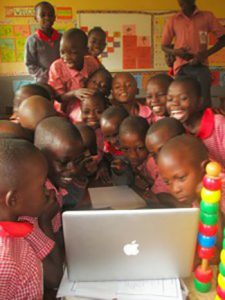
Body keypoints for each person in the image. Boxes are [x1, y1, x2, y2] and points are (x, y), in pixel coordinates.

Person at [0, 138, 61, 299]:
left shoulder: (25, 223)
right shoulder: (4, 260)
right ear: (13, 200)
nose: (48, 191)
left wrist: (45, 221)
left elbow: (56, 277)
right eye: (42, 185)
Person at [161, 0, 225, 108]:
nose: (182, 2)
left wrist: (205, 54)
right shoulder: (173, 20)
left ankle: (205, 124)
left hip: (201, 67)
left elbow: (223, 39)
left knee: (204, 103)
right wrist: (176, 52)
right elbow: (164, 46)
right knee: (180, 103)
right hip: (181, 68)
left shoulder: (207, 17)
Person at [34, 116, 85, 231]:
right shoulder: (36, 199)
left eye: (77, 160)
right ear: (40, 157)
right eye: (63, 162)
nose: (73, 169)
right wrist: (45, 222)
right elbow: (46, 247)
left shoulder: (55, 187)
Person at [166, 76, 225, 171]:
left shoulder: (218, 124)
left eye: (183, 98)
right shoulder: (175, 129)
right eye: (170, 99)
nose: (175, 103)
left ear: (199, 102)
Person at [48, 28, 100, 120]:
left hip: (89, 106)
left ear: (85, 51)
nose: (66, 57)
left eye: (73, 52)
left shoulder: (92, 63)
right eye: (62, 52)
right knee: (81, 118)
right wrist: (74, 93)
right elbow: (57, 97)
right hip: (64, 111)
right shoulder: (57, 67)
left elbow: (101, 79)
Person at [118, 116, 168, 203]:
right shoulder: (137, 162)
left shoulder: (153, 162)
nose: (133, 155)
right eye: (126, 149)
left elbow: (158, 197)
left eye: (140, 148)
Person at [25, 1, 61, 83]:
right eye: (42, 15)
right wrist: (48, 74)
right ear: (36, 18)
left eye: (50, 15)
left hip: (61, 80)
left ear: (55, 17)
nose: (47, 18)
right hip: (43, 82)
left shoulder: (62, 38)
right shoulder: (32, 40)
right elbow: (30, 65)